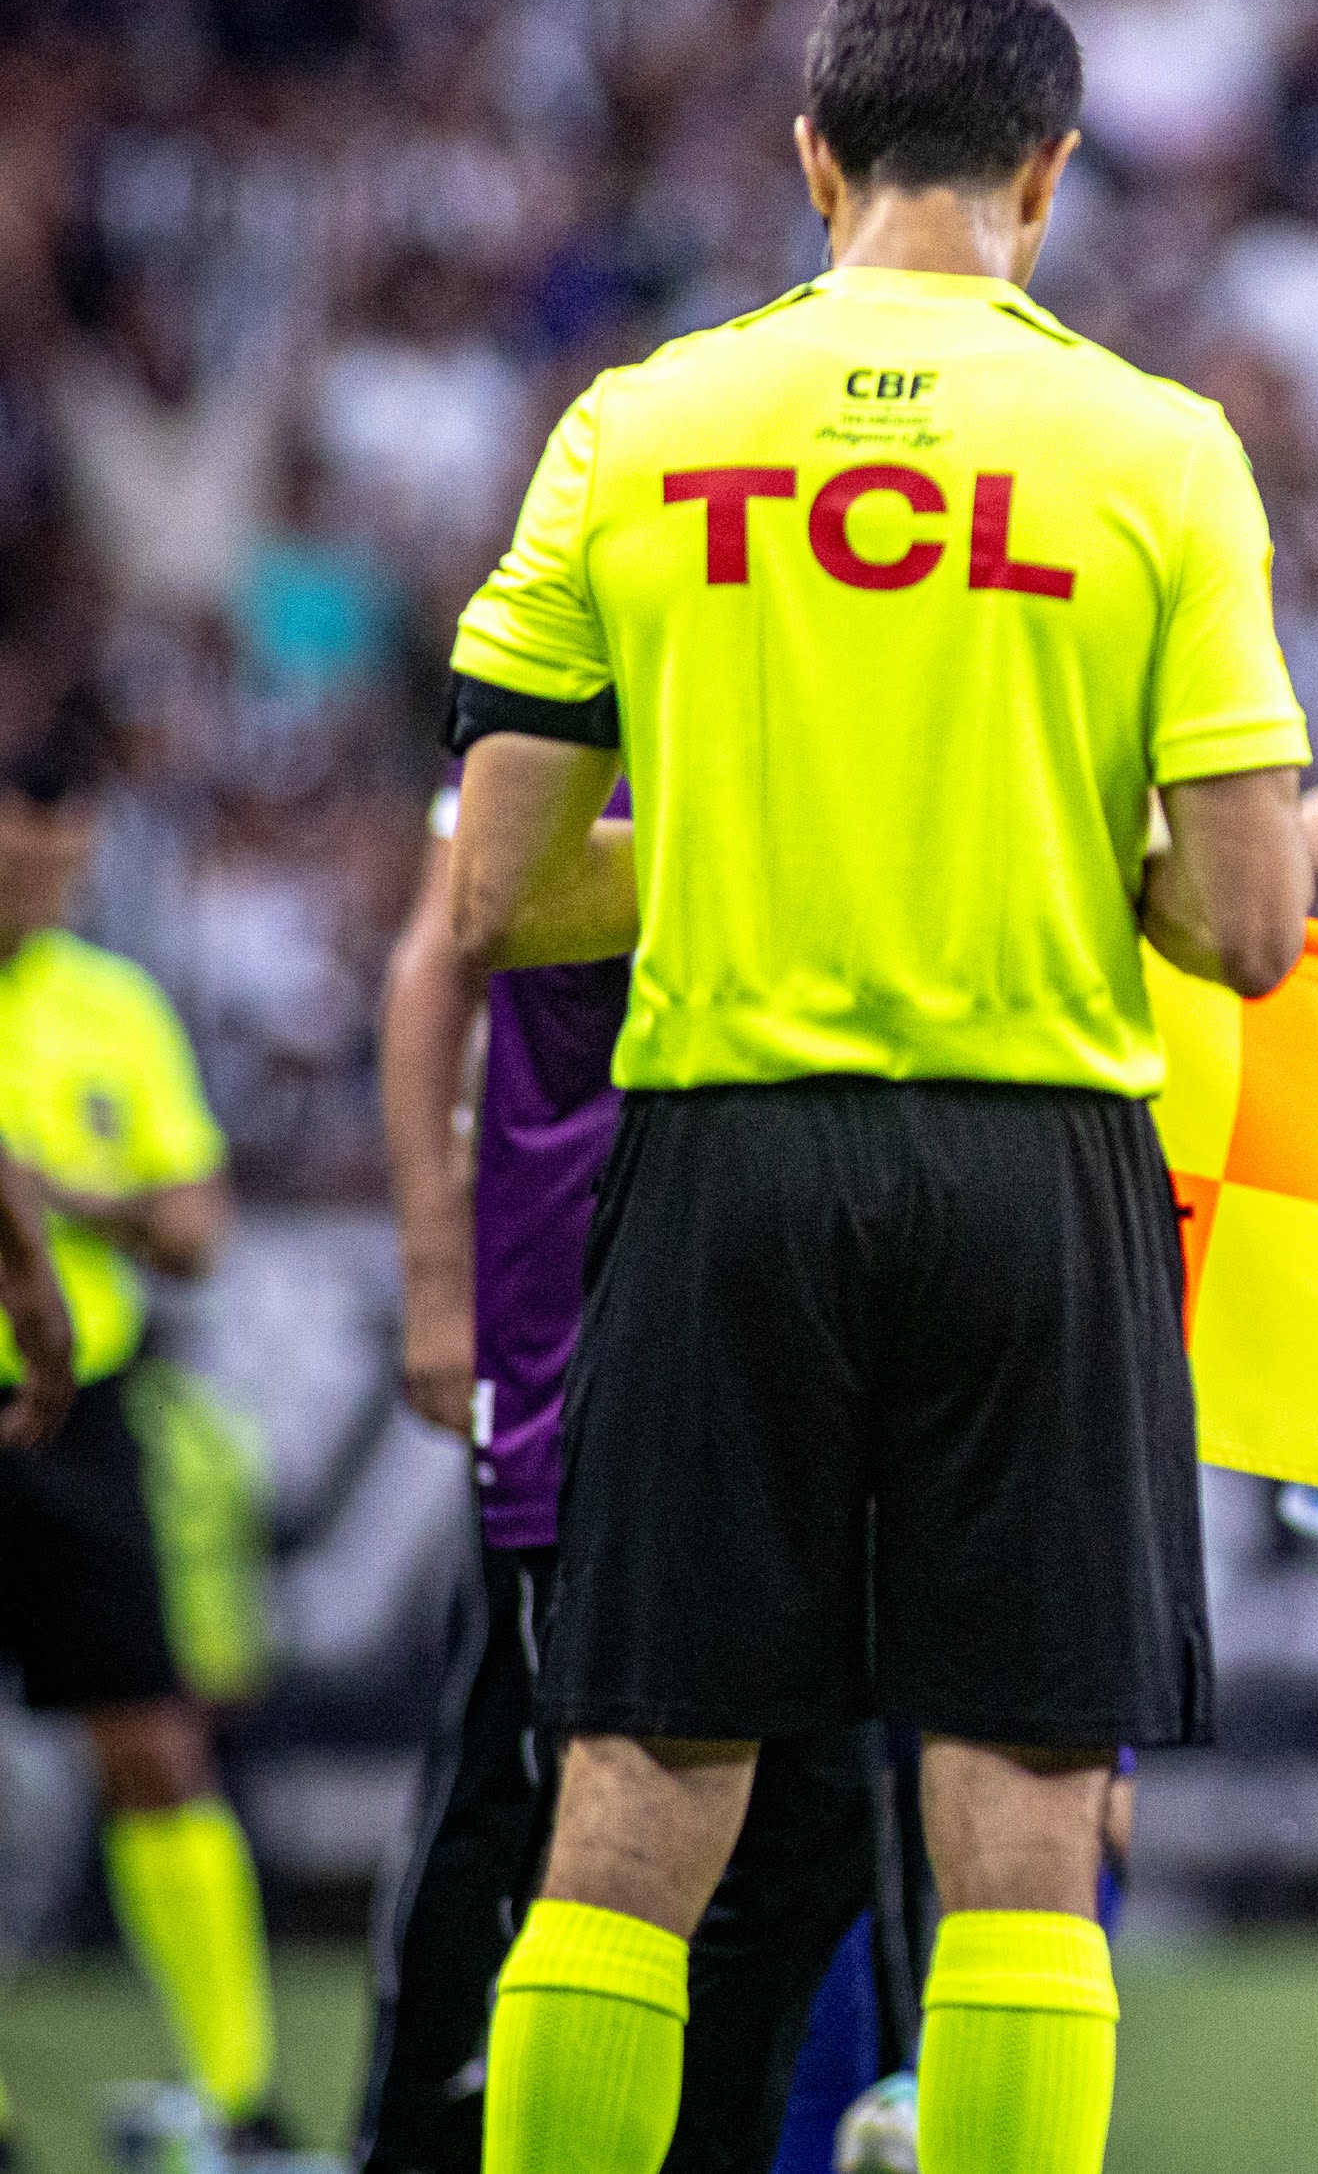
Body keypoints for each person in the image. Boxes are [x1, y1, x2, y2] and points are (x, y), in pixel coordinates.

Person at [438, 0, 1313, 2174]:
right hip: (1040, 1173)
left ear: (812, 160)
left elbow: (496, 903)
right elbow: (1247, 925)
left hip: (723, 1161)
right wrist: (1024, 835)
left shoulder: (635, 424)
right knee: (1021, 1814)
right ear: (1049, 173)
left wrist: (760, 832)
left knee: (637, 1794)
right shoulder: (1157, 448)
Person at [365, 773, 901, 2174]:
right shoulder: (591, 617)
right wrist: (438, 1275)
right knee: (546, 1775)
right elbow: (450, 941)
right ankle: (425, 2127)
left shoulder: (789, 633)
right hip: (587, 1299)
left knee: (810, 1812)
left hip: (766, 1294)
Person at [0, 688, 295, 2165]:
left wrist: (73, 1201)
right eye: (23, 851)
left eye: (63, 852)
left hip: (78, 1415)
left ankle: (237, 2091)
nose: (43, 878)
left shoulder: (110, 1005)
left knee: (155, 1750)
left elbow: (196, 1223)